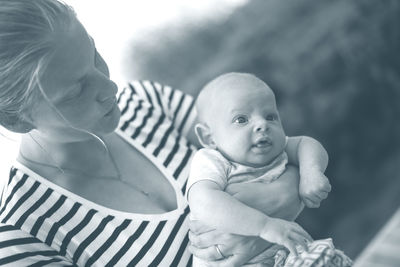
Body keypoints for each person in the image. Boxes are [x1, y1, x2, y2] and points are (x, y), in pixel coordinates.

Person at [0, 0, 309, 266]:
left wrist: (271, 204)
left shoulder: (146, 102)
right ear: (17, 120)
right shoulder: (23, 234)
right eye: (76, 91)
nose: (111, 88)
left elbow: (284, 154)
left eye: (94, 55)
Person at [187, 72, 352, 266]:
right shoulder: (212, 160)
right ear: (209, 138)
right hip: (234, 262)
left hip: (284, 255)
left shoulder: (277, 150)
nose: (262, 124)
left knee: (325, 258)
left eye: (270, 116)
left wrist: (310, 172)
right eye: (241, 119)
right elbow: (203, 201)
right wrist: (264, 226)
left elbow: (306, 145)